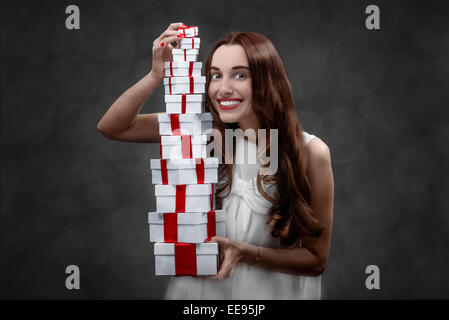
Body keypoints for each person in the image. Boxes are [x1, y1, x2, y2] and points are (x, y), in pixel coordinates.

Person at [97, 22, 334, 300]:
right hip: (200, 295)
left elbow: (316, 260)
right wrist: (154, 75)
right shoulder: (200, 131)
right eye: (215, 75)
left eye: (239, 75)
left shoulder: (310, 152)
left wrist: (248, 254)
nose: (223, 88)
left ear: (266, 79)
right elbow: (113, 127)